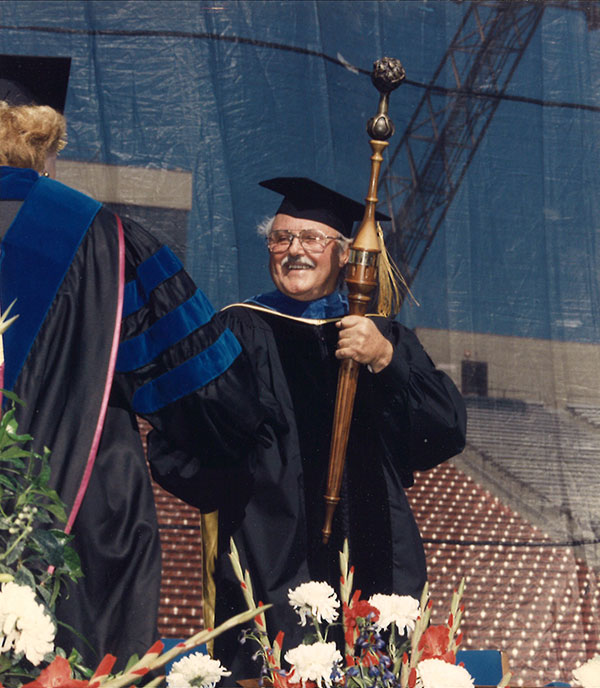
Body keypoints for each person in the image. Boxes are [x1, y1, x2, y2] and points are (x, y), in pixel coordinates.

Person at [0, 55, 265, 668]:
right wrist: (199, 462)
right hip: (79, 527)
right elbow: (212, 395)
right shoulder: (109, 240)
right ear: (44, 142)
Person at [151, 176, 467, 679]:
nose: (293, 250)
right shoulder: (237, 330)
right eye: (281, 238)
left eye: (311, 239)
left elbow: (445, 430)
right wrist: (242, 487)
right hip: (269, 558)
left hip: (374, 554)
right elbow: (178, 447)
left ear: (345, 256)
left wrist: (386, 359)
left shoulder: (381, 335)